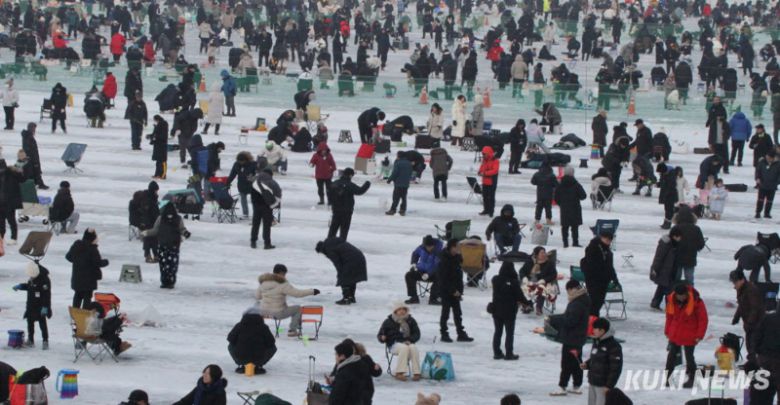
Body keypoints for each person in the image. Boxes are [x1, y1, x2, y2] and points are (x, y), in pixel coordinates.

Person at [549, 280, 591, 396]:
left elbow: (570, 321)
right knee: (576, 362)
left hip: (572, 338)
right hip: (579, 337)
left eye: (568, 291)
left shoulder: (577, 303)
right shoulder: (583, 300)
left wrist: (554, 320)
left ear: (572, 289)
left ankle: (563, 386)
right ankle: (577, 385)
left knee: (567, 363)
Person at [256, 264, 320, 337]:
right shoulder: (282, 284)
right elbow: (297, 294)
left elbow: (258, 297)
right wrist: (312, 291)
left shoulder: (264, 283)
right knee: (298, 309)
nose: (285, 276)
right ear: (281, 273)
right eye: (284, 274)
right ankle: (292, 330)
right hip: (277, 313)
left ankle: (258, 329)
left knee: (258, 305)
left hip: (264, 312)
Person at [664, 283, 708, 388]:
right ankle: (668, 378)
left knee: (689, 358)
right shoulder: (671, 300)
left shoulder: (697, 301)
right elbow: (669, 316)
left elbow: (703, 320)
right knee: (671, 357)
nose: (681, 298)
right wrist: (667, 331)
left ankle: (691, 378)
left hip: (690, 334)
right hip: (675, 333)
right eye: (679, 296)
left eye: (683, 296)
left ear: (686, 294)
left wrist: (699, 335)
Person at [143, 203, 190, 288]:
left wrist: (146, 233)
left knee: (163, 265)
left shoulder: (160, 218)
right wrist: (185, 233)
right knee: (172, 265)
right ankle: (171, 281)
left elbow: (155, 230)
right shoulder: (178, 219)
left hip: (163, 245)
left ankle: (164, 281)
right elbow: (182, 229)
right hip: (174, 246)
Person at [438, 238, 474, 343]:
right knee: (445, 313)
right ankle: (444, 334)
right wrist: (452, 290)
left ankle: (461, 333)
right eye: (457, 247)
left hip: (456, 290)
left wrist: (459, 291)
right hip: (446, 290)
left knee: (458, 313)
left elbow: (458, 276)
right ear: (451, 247)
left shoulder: (457, 258)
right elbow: (443, 279)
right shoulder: (444, 260)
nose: (459, 249)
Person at [581, 318, 623, 405]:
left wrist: (609, 386)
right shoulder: (597, 342)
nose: (593, 331)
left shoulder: (613, 346)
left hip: (603, 385)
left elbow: (616, 368)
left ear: (602, 330)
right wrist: (587, 364)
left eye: (595, 329)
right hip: (593, 381)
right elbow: (596, 359)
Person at [378, 302, 422, 381]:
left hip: (409, 342)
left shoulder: (411, 320)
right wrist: (382, 337)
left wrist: (410, 340)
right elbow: (380, 334)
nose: (402, 311)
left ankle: (417, 373)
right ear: (395, 311)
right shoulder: (388, 321)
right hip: (394, 344)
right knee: (404, 348)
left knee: (413, 347)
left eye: (403, 309)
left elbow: (417, 334)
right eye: (399, 309)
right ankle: (399, 373)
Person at [315, 237, 367, 305]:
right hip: (359, 257)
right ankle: (351, 297)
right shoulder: (333, 242)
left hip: (351, 260)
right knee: (352, 278)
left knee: (343, 277)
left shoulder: (328, 248)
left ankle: (346, 298)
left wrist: (340, 274)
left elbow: (337, 262)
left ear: (321, 249)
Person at [730, 269, 765, 366]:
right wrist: (736, 317)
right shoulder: (741, 289)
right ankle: (752, 363)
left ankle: (754, 364)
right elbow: (742, 305)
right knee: (750, 343)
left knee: (753, 343)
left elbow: (755, 308)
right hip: (749, 321)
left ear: (742, 280)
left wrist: (750, 322)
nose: (734, 284)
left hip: (757, 321)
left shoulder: (751, 290)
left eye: (735, 282)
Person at [65, 228, 108, 308]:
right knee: (87, 297)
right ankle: (84, 314)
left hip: (77, 277)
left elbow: (68, 257)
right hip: (89, 279)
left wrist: (78, 261)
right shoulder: (92, 249)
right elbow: (97, 263)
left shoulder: (77, 245)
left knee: (77, 295)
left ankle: (75, 314)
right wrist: (106, 262)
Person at [12, 262, 51, 350]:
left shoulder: (44, 280)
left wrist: (45, 306)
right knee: (30, 322)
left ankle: (45, 341)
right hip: (31, 304)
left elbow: (46, 294)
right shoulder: (33, 278)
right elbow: (30, 287)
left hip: (40, 305)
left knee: (42, 324)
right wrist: (21, 286)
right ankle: (30, 340)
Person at [490, 261, 524, 360]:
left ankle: (497, 352)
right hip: (509, 311)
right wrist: (528, 303)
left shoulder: (495, 279)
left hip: (496, 310)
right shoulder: (514, 282)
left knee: (498, 331)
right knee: (509, 333)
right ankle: (509, 353)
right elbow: (520, 296)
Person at [227, 309, 277, 374]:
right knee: (273, 347)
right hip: (259, 358)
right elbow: (271, 342)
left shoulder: (239, 325)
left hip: (241, 357)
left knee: (230, 345)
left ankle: (242, 364)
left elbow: (230, 339)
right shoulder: (263, 327)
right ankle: (258, 366)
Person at [582, 230, 619, 317]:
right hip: (594, 280)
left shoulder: (606, 249)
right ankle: (591, 320)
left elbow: (609, 266)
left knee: (599, 301)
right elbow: (592, 264)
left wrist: (614, 278)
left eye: (610, 240)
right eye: (606, 239)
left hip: (603, 281)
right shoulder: (594, 247)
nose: (608, 241)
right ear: (601, 238)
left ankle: (593, 319)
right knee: (595, 301)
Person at [328, 168, 370, 239]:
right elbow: (359, 191)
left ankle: (329, 244)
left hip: (336, 210)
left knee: (333, 229)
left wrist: (331, 203)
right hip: (346, 211)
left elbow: (329, 192)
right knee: (344, 231)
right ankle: (341, 245)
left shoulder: (335, 183)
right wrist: (367, 183)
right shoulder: (349, 185)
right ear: (350, 175)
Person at [671, 205, 705, 285]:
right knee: (689, 279)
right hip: (690, 257)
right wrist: (694, 248)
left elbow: (671, 244)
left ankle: (674, 295)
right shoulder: (696, 229)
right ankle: (690, 295)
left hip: (676, 258)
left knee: (675, 279)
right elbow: (701, 244)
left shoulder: (676, 228)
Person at [405, 235, 443, 305]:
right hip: (421, 271)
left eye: (430, 246)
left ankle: (433, 299)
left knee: (440, 277)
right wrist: (414, 263)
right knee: (409, 275)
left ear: (434, 245)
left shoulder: (439, 251)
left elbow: (437, 265)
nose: (429, 248)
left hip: (433, 273)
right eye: (427, 246)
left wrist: (429, 274)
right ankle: (414, 297)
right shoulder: (421, 248)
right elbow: (415, 254)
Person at [518, 246, 557, 315]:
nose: (544, 254)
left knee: (541, 288)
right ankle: (528, 305)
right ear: (536, 255)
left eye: (544, 252)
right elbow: (522, 271)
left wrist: (544, 280)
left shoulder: (549, 263)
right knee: (523, 287)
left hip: (544, 283)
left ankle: (539, 307)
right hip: (531, 281)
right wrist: (524, 277)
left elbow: (553, 275)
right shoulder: (530, 262)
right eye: (541, 253)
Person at [554, 166, 587, 248]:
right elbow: (583, 196)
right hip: (575, 208)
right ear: (573, 173)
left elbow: (556, 198)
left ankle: (565, 243)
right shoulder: (576, 184)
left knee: (564, 227)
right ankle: (575, 243)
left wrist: (561, 204)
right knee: (575, 227)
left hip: (564, 208)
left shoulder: (560, 184)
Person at [650, 227, 681, 311]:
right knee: (668, 290)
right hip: (664, 271)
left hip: (670, 270)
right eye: (679, 237)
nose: (680, 239)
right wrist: (655, 269)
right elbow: (658, 257)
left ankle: (655, 303)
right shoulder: (666, 244)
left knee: (661, 287)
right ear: (674, 236)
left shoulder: (674, 243)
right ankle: (669, 306)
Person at [129, 181, 161, 263]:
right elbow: (146, 212)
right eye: (156, 190)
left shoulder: (152, 197)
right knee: (148, 238)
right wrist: (144, 223)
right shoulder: (147, 199)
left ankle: (155, 254)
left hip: (151, 222)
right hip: (145, 223)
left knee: (154, 238)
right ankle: (148, 255)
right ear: (153, 190)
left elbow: (155, 211)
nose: (157, 192)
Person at [250, 168, 281, 249]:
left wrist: (255, 204)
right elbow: (278, 194)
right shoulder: (272, 183)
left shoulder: (255, 181)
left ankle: (253, 242)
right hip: (267, 207)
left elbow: (252, 195)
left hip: (256, 206)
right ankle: (267, 244)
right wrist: (273, 205)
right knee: (266, 226)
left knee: (255, 224)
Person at [227, 152, 256, 219]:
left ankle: (256, 214)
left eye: (242, 161)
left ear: (246, 160)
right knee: (243, 199)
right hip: (241, 185)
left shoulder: (253, 164)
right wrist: (228, 182)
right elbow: (232, 174)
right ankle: (245, 214)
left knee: (254, 200)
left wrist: (252, 178)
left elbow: (258, 174)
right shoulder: (236, 164)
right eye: (239, 161)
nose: (241, 163)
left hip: (252, 185)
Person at [0, 159, 23, 245]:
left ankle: (13, 238)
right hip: (2, 202)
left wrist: (16, 171)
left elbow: (22, 179)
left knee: (11, 221)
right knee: (2, 222)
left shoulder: (12, 174)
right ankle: (2, 238)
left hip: (9, 202)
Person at [21, 123, 47, 189]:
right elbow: (29, 149)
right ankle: (38, 184)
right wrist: (33, 159)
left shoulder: (28, 136)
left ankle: (38, 183)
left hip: (31, 157)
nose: (34, 130)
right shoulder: (28, 137)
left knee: (34, 172)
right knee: (34, 171)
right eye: (33, 128)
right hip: (31, 158)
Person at [386, 151, 413, 216]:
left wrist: (389, 180)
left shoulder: (398, 163)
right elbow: (410, 173)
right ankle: (402, 210)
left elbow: (395, 173)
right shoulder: (409, 163)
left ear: (399, 156)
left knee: (396, 197)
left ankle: (393, 210)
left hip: (398, 183)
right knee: (404, 197)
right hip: (406, 184)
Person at [756, 149, 780, 219]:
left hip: (772, 186)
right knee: (760, 200)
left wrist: (777, 182)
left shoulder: (778, 164)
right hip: (762, 185)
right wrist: (758, 178)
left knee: (769, 201)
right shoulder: (762, 162)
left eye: (769, 158)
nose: (768, 159)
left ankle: (767, 213)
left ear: (773, 158)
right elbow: (758, 171)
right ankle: (758, 212)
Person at [479, 146, 500, 216]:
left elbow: (495, 171)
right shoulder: (484, 161)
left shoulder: (495, 161)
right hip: (485, 181)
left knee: (491, 197)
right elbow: (482, 167)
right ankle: (486, 209)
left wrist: (485, 173)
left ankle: (491, 211)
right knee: (485, 196)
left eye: (484, 154)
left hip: (492, 182)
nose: (483, 155)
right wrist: (480, 172)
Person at [657, 163, 678, 229]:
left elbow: (671, 185)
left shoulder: (671, 174)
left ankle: (668, 223)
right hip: (666, 194)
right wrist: (659, 184)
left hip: (671, 195)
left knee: (669, 210)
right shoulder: (664, 173)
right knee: (667, 209)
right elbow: (662, 182)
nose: (660, 174)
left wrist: (665, 194)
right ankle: (666, 222)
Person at [149, 115, 168, 179]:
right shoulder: (158, 125)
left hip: (161, 145)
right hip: (157, 145)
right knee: (158, 161)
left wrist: (154, 138)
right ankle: (157, 174)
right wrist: (151, 136)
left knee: (162, 161)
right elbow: (155, 134)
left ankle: (162, 175)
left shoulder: (163, 124)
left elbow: (162, 136)